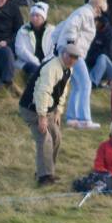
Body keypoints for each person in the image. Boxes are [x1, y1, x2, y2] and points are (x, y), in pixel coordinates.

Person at [19, 45, 79, 186]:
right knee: (45, 138)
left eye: (75, 58)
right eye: (69, 56)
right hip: (32, 109)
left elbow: (63, 90)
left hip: (48, 108)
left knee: (56, 137)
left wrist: (58, 111)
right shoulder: (51, 68)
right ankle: (44, 177)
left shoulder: (68, 69)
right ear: (63, 54)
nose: (72, 59)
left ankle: (47, 171)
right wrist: (42, 117)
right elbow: (42, 92)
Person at [52, 0, 108, 129]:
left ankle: (72, 118)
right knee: (85, 84)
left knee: (77, 85)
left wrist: (57, 46)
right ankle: (84, 119)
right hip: (73, 53)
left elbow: (59, 28)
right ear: (98, 6)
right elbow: (71, 26)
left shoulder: (81, 12)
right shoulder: (85, 13)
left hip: (70, 51)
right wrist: (70, 48)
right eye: (100, 10)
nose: (99, 14)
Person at [15, 2, 56, 77]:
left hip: (48, 63)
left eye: (37, 16)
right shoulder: (23, 30)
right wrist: (35, 61)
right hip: (28, 63)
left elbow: (55, 49)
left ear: (43, 17)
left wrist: (45, 62)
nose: (34, 18)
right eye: (32, 15)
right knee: (34, 71)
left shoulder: (52, 31)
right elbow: (20, 50)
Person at [87, 15, 112, 87]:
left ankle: (92, 82)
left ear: (101, 23)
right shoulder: (93, 32)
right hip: (94, 65)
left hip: (110, 70)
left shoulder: (111, 35)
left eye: (95, 21)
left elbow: (109, 54)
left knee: (102, 57)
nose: (93, 23)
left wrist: (92, 56)